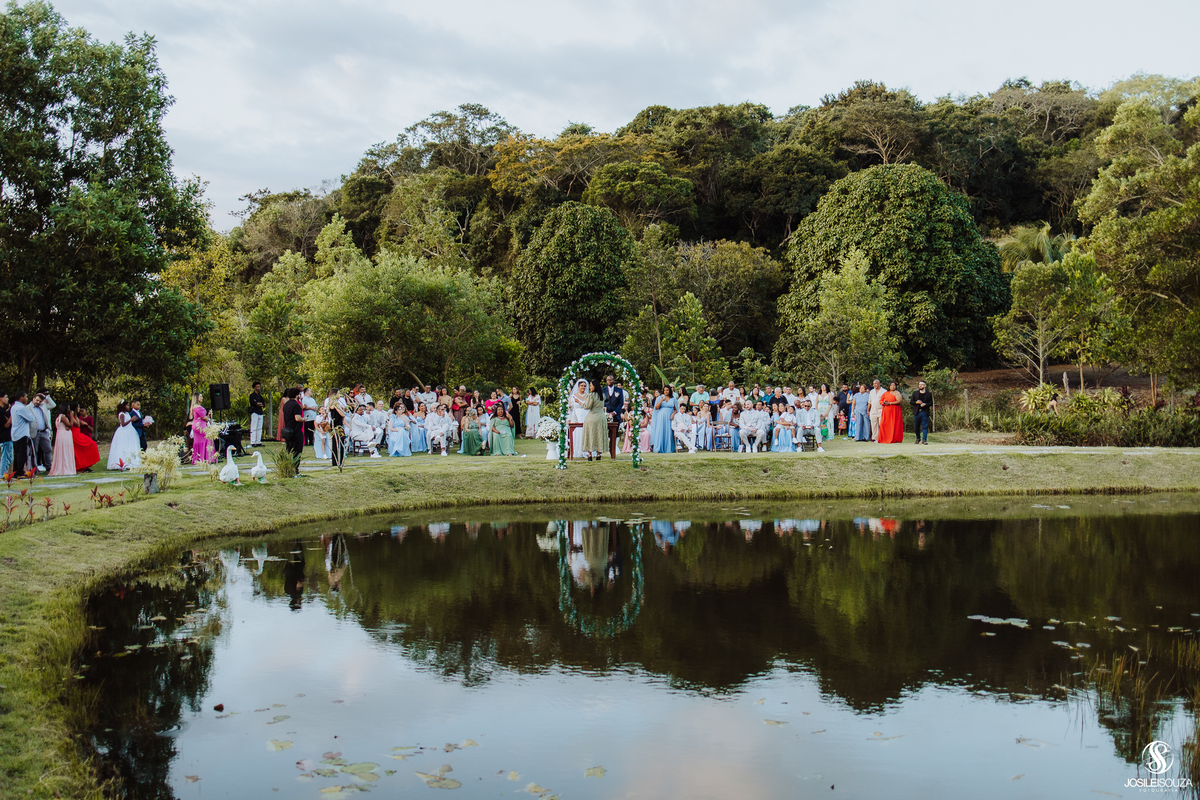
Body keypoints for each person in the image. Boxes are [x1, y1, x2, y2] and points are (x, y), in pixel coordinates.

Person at [111, 400, 144, 469]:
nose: (128, 407)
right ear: (123, 406)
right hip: (124, 431)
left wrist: (133, 419)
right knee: (123, 446)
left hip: (130, 430)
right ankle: (122, 462)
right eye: (127, 405)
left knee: (131, 445)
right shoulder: (122, 414)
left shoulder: (127, 414)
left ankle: (131, 461)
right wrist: (131, 420)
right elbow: (123, 424)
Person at [579, 382, 607, 460]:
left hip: (592, 416)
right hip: (601, 416)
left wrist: (580, 402)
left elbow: (587, 406)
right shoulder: (602, 395)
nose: (590, 387)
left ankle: (590, 454)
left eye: (591, 386)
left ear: (594, 386)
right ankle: (598, 453)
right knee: (599, 434)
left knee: (590, 434)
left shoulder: (591, 396)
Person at [68, 403, 100, 472]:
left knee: (92, 444)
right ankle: (81, 466)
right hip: (75, 435)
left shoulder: (77, 416)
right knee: (81, 449)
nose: (79, 409)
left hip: (78, 433)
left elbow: (79, 424)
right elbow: (77, 424)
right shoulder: (72, 416)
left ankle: (85, 465)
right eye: (78, 407)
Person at [47, 404, 77, 476]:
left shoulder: (59, 417)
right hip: (64, 435)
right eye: (68, 408)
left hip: (61, 434)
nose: (69, 410)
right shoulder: (62, 416)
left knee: (62, 451)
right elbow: (70, 425)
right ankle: (65, 468)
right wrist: (72, 417)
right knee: (65, 451)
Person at [649, 386, 677, 454]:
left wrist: (673, 414)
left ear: (670, 391)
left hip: (669, 416)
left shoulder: (673, 399)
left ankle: (668, 448)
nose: (666, 392)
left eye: (667, 390)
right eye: (664, 390)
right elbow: (656, 407)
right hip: (661, 416)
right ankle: (658, 448)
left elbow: (676, 409)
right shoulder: (660, 398)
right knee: (660, 431)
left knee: (668, 432)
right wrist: (661, 400)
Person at [282, 388, 306, 462]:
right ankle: (295, 467)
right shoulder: (296, 405)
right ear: (296, 395)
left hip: (287, 430)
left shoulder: (286, 404)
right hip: (296, 431)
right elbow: (297, 418)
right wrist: (304, 419)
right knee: (297, 451)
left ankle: (289, 466)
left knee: (289, 450)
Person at [911, 380, 933, 445]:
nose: (920, 385)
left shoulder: (929, 394)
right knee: (916, 426)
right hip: (917, 412)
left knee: (924, 426)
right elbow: (911, 402)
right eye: (919, 384)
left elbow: (931, 403)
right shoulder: (915, 393)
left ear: (925, 386)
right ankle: (918, 438)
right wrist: (916, 402)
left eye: (922, 384)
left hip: (924, 412)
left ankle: (924, 440)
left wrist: (925, 404)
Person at [248, 382, 265, 446]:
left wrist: (259, 404)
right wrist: (258, 404)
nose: (258, 388)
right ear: (254, 387)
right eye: (257, 387)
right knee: (254, 427)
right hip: (254, 412)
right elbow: (254, 403)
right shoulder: (252, 396)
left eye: (259, 387)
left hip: (260, 412)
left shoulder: (260, 396)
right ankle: (252, 441)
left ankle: (258, 441)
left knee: (259, 427)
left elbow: (263, 404)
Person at [0, 391, 11, 476]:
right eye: (6, 397)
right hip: (4, 436)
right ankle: (2, 474)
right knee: (6, 456)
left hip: (7, 436)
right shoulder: (0, 411)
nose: (7, 399)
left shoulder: (3, 410)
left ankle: (3, 472)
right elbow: (6, 424)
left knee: (9, 457)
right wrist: (12, 415)